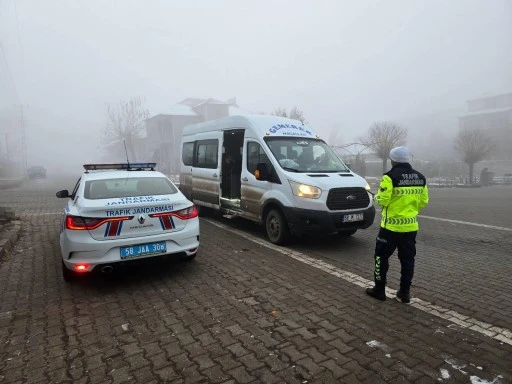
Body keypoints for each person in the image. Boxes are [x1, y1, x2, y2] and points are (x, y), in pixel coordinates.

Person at [366, 146, 429, 303]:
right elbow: (423, 201)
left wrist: (375, 198)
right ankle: (405, 292)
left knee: (381, 258)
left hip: (390, 228)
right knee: (408, 260)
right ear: (407, 159)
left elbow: (383, 200)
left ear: (392, 160)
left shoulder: (389, 177)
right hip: (410, 228)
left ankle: (379, 290)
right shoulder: (420, 178)